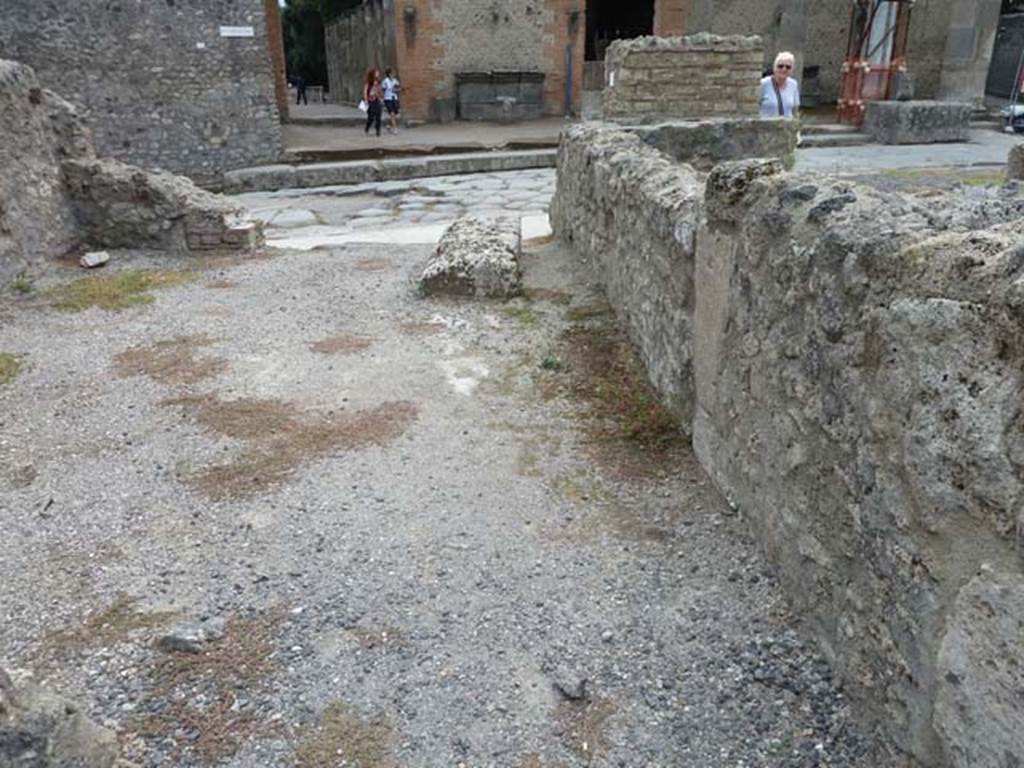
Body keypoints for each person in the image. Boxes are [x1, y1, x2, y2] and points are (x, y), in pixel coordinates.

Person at [760, 51, 800, 119]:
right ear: (774, 67)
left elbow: (795, 110)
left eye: (788, 67)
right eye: (780, 66)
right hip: (767, 127)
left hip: (786, 127)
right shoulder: (763, 84)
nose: (784, 69)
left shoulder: (793, 84)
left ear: (792, 69)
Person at [363, 68, 383, 137]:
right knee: (371, 117)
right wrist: (366, 100)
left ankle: (378, 130)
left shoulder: (378, 82)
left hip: (376, 100)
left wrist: (380, 97)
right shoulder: (368, 82)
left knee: (378, 115)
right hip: (370, 101)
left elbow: (380, 91)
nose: (378, 74)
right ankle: (367, 128)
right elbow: (365, 91)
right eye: (376, 72)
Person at [382, 68, 401, 134]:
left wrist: (398, 90)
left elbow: (398, 88)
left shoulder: (395, 81)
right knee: (392, 113)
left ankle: (389, 125)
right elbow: (383, 90)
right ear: (389, 74)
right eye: (392, 73)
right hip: (388, 98)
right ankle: (395, 128)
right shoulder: (385, 81)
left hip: (394, 98)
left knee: (394, 114)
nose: (394, 74)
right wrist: (382, 98)